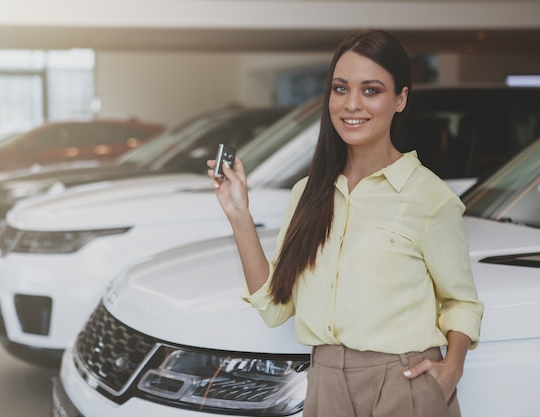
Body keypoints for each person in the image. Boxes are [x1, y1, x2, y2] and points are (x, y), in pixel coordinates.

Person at [207, 29, 483, 417]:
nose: (352, 104)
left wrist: (451, 368)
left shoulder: (430, 198)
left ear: (400, 98)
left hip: (404, 383)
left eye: (371, 90)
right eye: (340, 89)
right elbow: (275, 307)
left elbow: (461, 301)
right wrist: (239, 216)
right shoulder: (309, 192)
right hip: (326, 383)